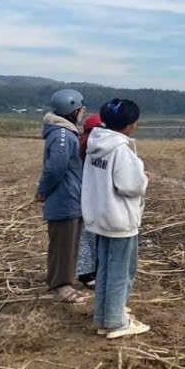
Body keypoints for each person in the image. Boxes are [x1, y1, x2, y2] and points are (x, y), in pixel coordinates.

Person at [82, 98, 150, 339]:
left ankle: (103, 316)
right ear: (130, 124)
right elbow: (131, 186)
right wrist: (143, 176)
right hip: (120, 220)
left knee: (105, 270)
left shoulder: (95, 143)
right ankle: (115, 322)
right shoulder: (121, 149)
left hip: (100, 216)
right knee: (122, 271)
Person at [35, 88, 87, 304]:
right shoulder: (63, 135)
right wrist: (42, 190)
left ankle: (60, 281)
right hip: (65, 197)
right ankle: (61, 287)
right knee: (64, 243)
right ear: (72, 110)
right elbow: (56, 167)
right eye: (80, 109)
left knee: (66, 241)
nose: (82, 112)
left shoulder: (63, 132)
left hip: (67, 196)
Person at [75, 114, 103, 288]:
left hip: (80, 193)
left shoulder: (80, 142)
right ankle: (89, 274)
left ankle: (87, 272)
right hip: (92, 195)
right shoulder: (96, 145)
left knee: (85, 235)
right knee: (90, 235)